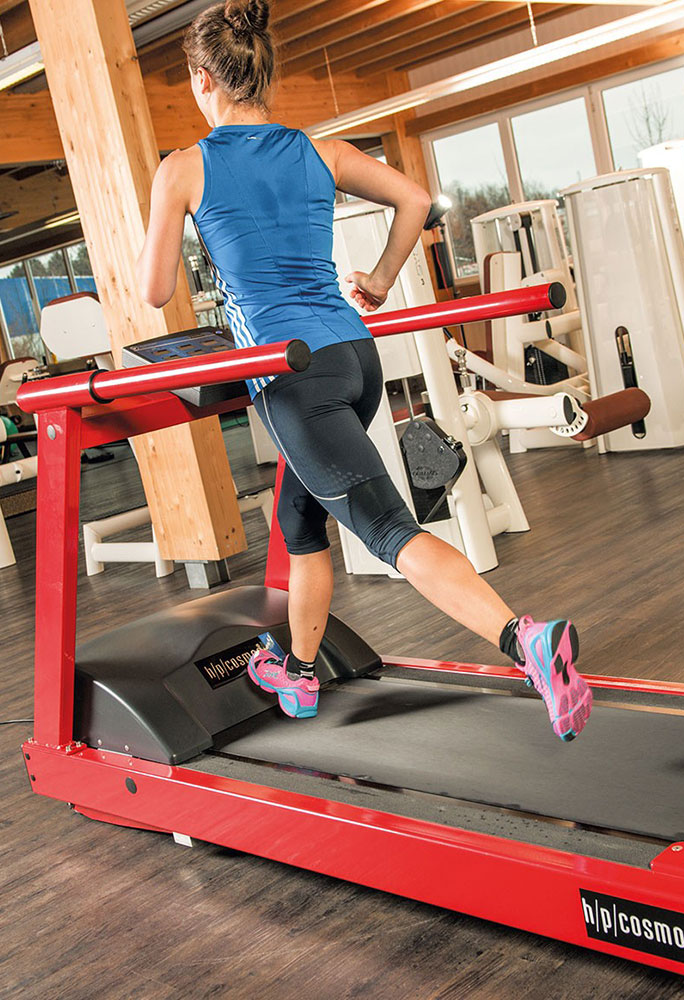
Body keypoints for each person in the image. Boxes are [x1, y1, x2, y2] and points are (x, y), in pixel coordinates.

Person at [137, 0, 592, 740]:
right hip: (354, 356)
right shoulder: (321, 152)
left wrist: (181, 218)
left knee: (384, 528)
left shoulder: (185, 168)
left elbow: (154, 291)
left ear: (200, 78)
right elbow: (415, 200)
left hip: (293, 374)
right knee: (301, 517)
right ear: (265, 73)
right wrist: (377, 279)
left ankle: (525, 642)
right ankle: (300, 671)